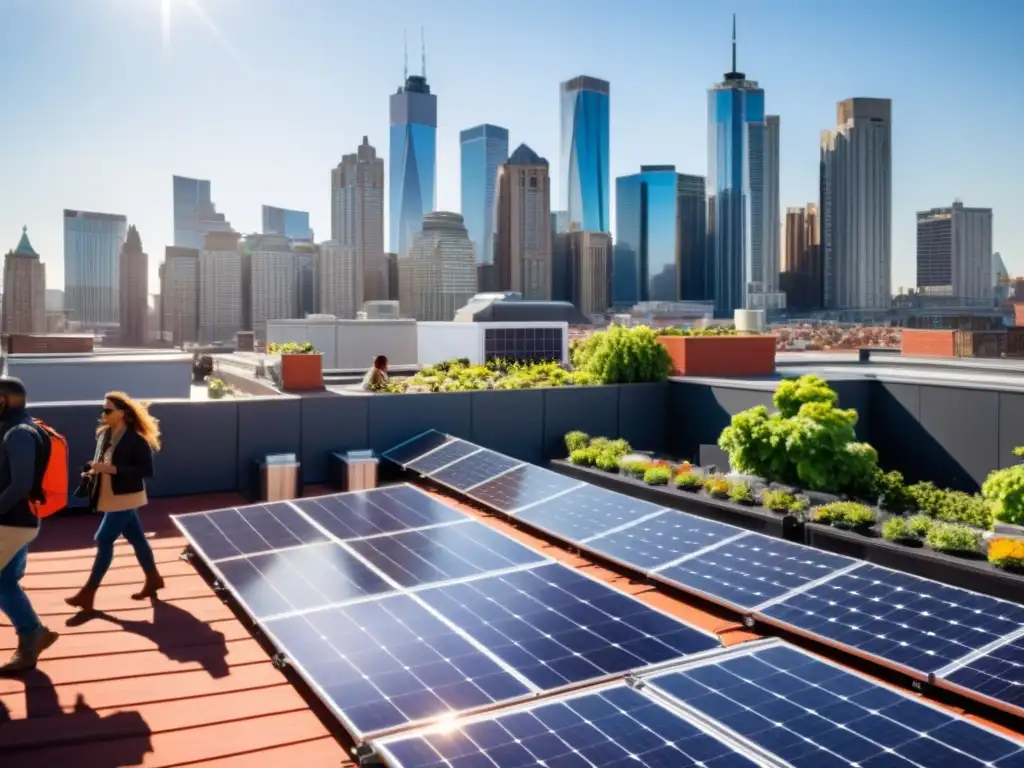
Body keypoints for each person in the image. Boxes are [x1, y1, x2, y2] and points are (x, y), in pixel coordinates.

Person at [66, 392, 164, 612]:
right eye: (103, 409)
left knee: (103, 538)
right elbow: (103, 462)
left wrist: (110, 469)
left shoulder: (136, 439)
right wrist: (93, 469)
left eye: (108, 410)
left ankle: (88, 593)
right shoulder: (105, 434)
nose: (104, 413)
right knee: (137, 538)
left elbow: (146, 471)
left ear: (122, 413)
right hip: (110, 495)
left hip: (127, 496)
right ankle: (154, 578)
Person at [0, 377, 59, 674]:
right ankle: (33, 635)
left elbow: (20, 484)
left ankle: (31, 634)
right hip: (18, 520)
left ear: (3, 400)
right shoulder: (19, 427)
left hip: (12, 522)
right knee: (6, 581)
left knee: (2, 583)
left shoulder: (20, 433)